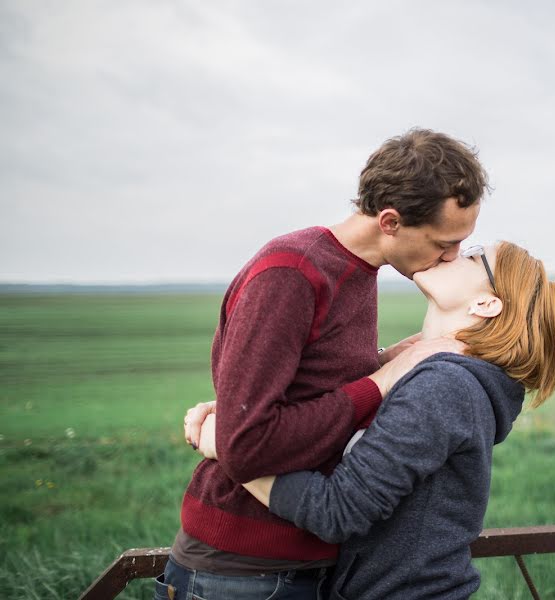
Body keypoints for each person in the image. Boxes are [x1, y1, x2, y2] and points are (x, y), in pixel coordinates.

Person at [156, 129, 490, 600]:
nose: (453, 255)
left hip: (309, 564)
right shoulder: (293, 273)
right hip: (240, 573)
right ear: (390, 222)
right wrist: (383, 378)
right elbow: (246, 445)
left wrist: (390, 359)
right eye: (444, 241)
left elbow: (309, 390)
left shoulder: (360, 271)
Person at [196, 241, 555, 600]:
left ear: (486, 303)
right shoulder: (446, 379)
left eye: (474, 255)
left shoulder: (446, 387)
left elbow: (337, 510)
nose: (455, 250)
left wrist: (230, 446)